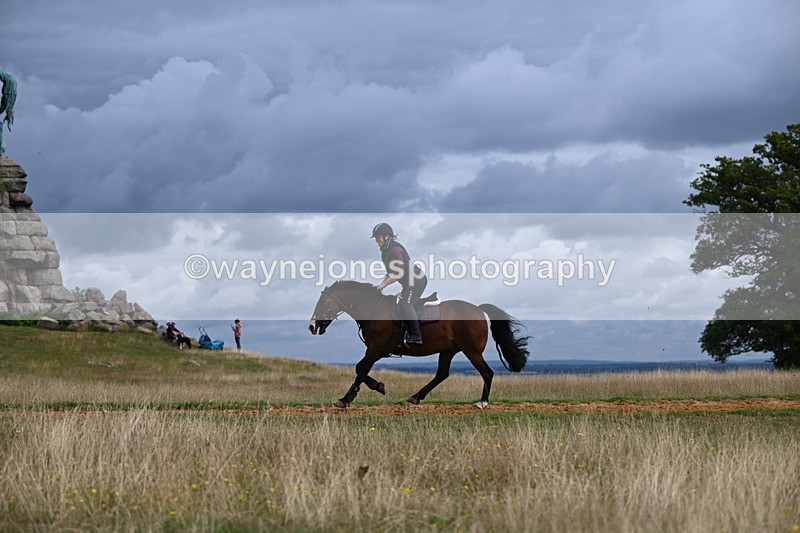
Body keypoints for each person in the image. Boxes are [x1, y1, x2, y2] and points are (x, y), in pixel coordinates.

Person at [371, 222, 428, 344]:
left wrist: (384, 285)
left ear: (386, 237)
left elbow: (398, 274)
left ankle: (416, 336)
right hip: (408, 283)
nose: (376, 240)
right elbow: (389, 273)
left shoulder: (395, 250)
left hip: (416, 281)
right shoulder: (385, 252)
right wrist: (380, 284)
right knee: (399, 304)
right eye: (375, 238)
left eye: (377, 237)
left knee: (405, 304)